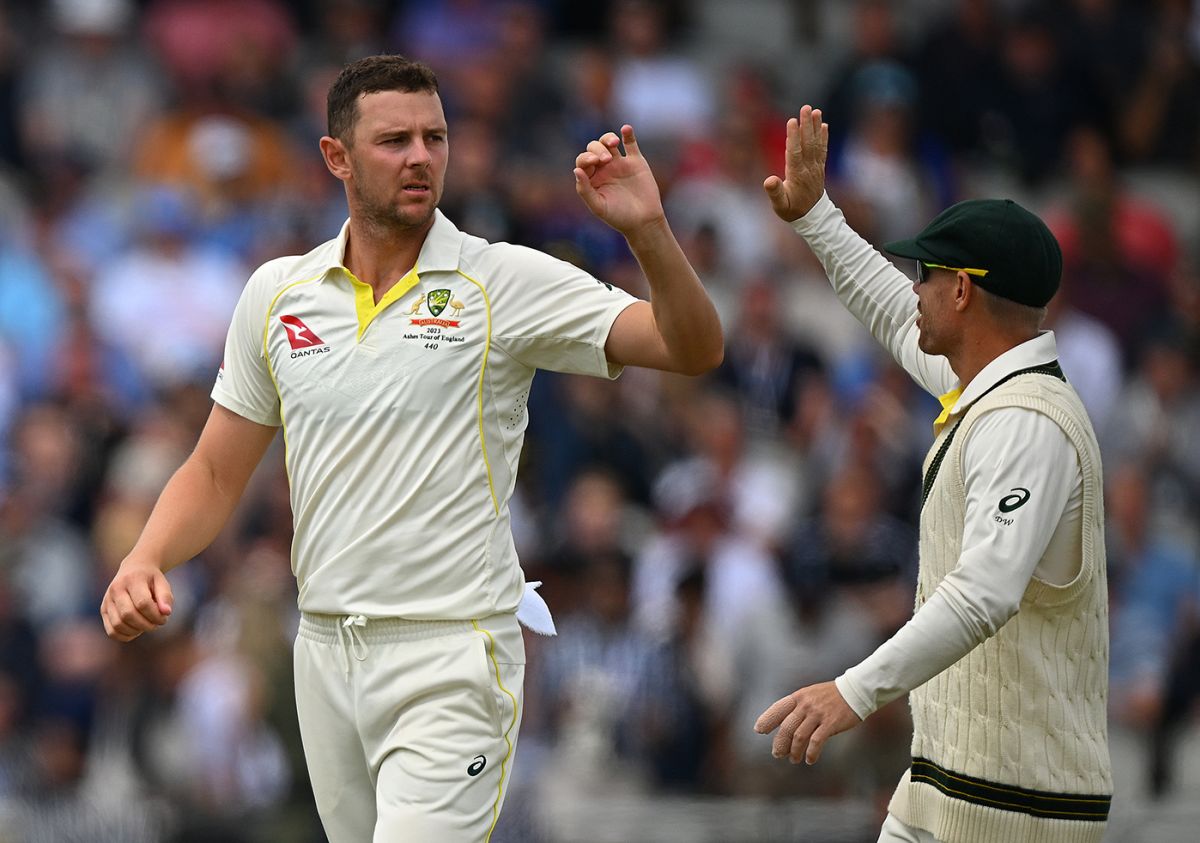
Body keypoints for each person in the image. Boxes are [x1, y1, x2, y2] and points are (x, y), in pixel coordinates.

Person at [99, 54, 723, 843]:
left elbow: (691, 346)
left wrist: (649, 232)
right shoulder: (276, 293)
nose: (422, 156)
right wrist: (145, 557)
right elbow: (217, 469)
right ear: (337, 157)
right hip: (324, 649)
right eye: (395, 140)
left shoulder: (500, 281)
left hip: (453, 657)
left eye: (436, 136)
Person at [753, 106, 1111, 843]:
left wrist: (851, 692)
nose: (915, 286)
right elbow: (890, 314)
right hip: (946, 790)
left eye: (928, 272)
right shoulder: (984, 386)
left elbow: (984, 593)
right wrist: (816, 215)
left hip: (1015, 809)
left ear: (963, 291)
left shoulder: (1027, 422)